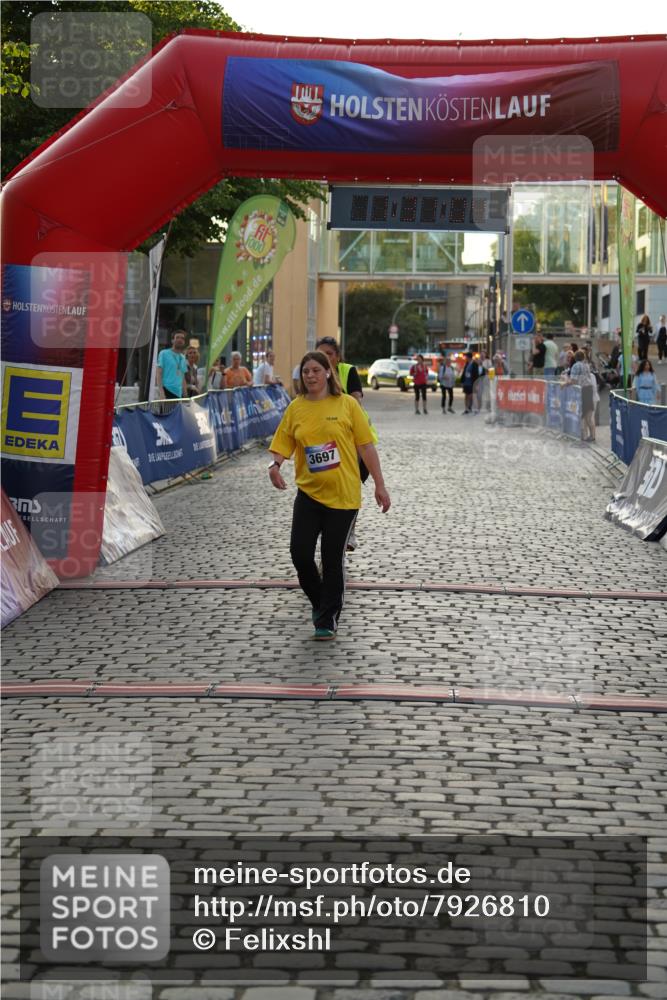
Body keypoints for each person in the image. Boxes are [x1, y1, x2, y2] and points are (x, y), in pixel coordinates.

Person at [267, 351, 390, 641]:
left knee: (331, 558)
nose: (310, 376)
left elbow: (366, 448)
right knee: (300, 554)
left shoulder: (347, 405)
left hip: (343, 496)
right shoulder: (296, 408)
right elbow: (282, 441)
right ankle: (322, 601)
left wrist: (380, 486)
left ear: (327, 373)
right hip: (309, 493)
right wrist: (274, 465)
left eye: (315, 370)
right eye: (305, 371)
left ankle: (327, 617)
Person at [315, 335, 376, 552]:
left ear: (337, 356)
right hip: (323, 440)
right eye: (321, 354)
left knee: (350, 485)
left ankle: (350, 530)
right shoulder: (312, 373)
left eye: (329, 354)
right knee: (324, 484)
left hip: (351, 438)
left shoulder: (347, 371)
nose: (325, 358)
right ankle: (324, 529)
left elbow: (356, 401)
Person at [155, 330, 188, 399]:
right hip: (167, 390)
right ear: (172, 340)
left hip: (178, 394)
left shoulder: (183, 357)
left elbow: (183, 377)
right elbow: (158, 373)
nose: (180, 340)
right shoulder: (164, 353)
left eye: (182, 338)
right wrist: (161, 392)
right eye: (177, 337)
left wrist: (185, 394)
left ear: (184, 342)